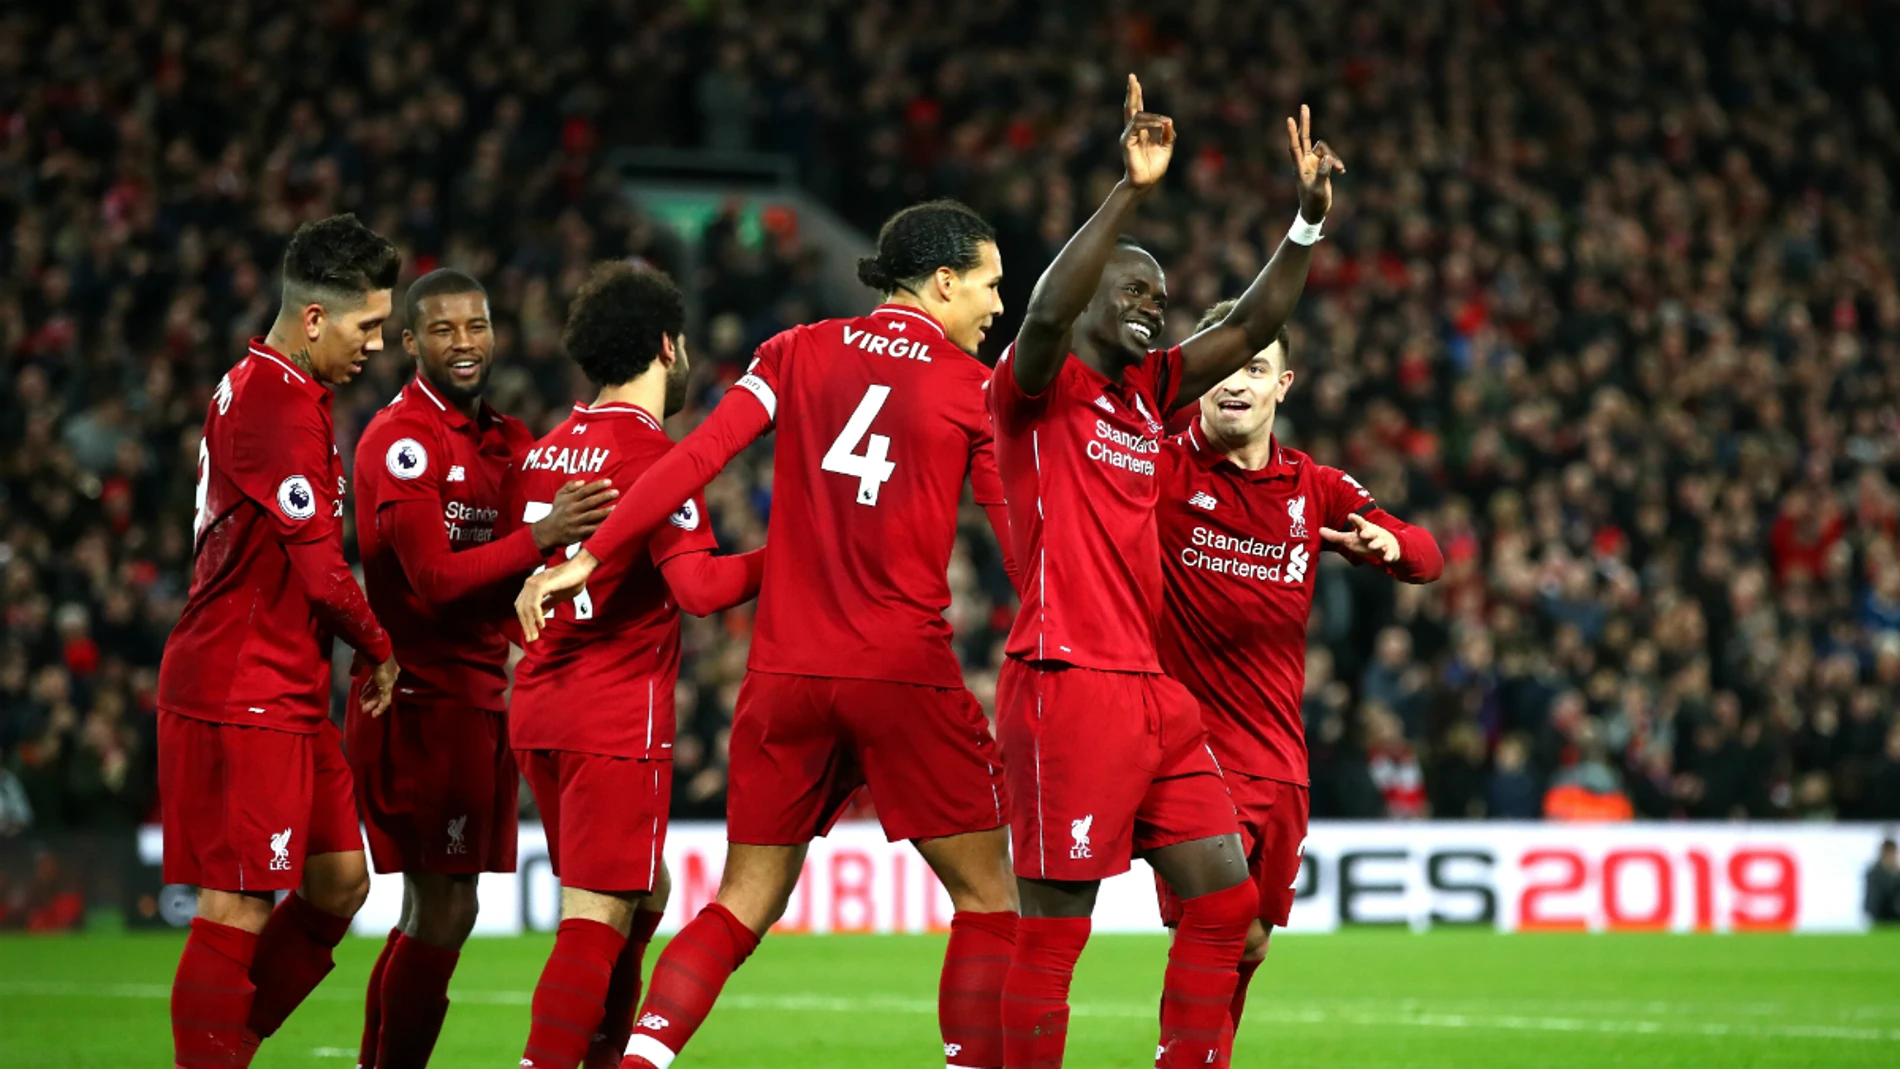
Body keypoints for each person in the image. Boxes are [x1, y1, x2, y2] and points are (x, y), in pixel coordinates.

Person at [519, 199, 1021, 1069]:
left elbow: (691, 455)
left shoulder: (795, 350)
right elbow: (1016, 529)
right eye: (989, 285)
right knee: (989, 900)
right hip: (901, 670)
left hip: (784, 675)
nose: (998, 306)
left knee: (740, 904)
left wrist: (590, 555)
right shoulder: (974, 388)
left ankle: (639, 1062)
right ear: (943, 283)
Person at [986, 76, 1342, 1068]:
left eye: (1161, 298)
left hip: (1150, 693)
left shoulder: (1151, 393)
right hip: (1063, 681)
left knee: (1226, 902)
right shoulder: (1037, 385)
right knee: (1054, 935)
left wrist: (1305, 227)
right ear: (1094, 291)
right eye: (1135, 293)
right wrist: (1129, 195)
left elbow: (1246, 325)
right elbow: (1049, 310)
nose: (1154, 309)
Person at [1153, 298, 1442, 1066]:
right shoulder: (1160, 467)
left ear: (1285, 382)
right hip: (1189, 749)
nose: (1234, 383)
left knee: (1248, 939)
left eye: (1253, 367)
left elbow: (1429, 554)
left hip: (1278, 757)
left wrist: (1390, 542)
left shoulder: (1313, 486)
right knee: (1215, 917)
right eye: (1218, 367)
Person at [347, 269, 618, 1068]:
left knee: (441, 908)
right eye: (443, 330)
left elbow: (506, 591)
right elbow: (432, 580)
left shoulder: (508, 441)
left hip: (480, 700)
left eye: (476, 326)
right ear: (409, 342)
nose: (464, 344)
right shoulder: (402, 440)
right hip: (418, 701)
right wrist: (541, 539)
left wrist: (559, 645)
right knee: (442, 905)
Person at [156, 213, 402, 1067]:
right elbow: (323, 571)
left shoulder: (283, 391)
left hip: (288, 687)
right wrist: (380, 645)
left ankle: (228, 1043)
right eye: (368, 325)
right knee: (239, 903)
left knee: (339, 882)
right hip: (240, 684)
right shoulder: (275, 406)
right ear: (312, 319)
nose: (378, 342)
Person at [507, 262, 764, 1069]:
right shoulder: (655, 457)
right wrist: (796, 555)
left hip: (539, 708)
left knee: (642, 892)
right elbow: (698, 587)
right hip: (613, 715)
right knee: (596, 917)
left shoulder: (545, 451)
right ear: (666, 345)